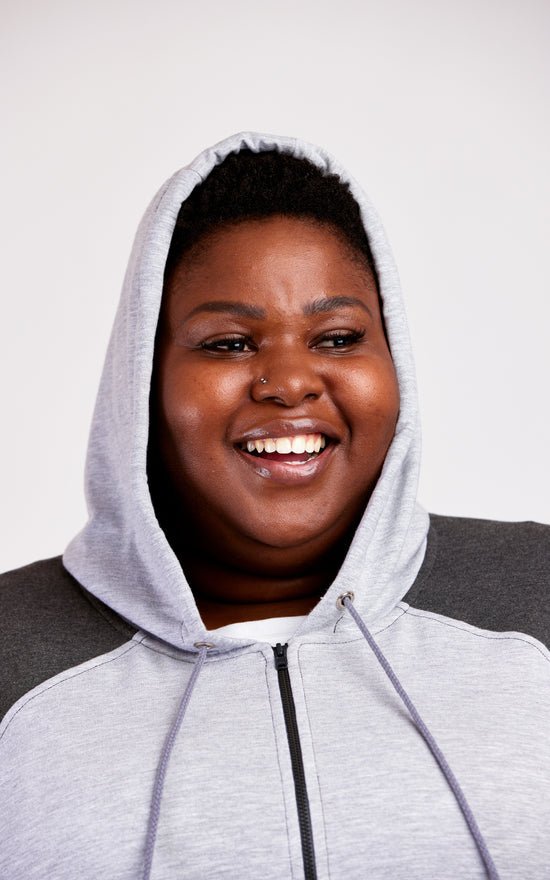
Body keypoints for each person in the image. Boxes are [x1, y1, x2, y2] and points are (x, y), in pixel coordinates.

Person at [0, 131, 548, 880]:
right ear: (143, 379)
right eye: (228, 343)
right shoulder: (13, 652)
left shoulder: (534, 598)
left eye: (338, 337)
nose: (290, 382)